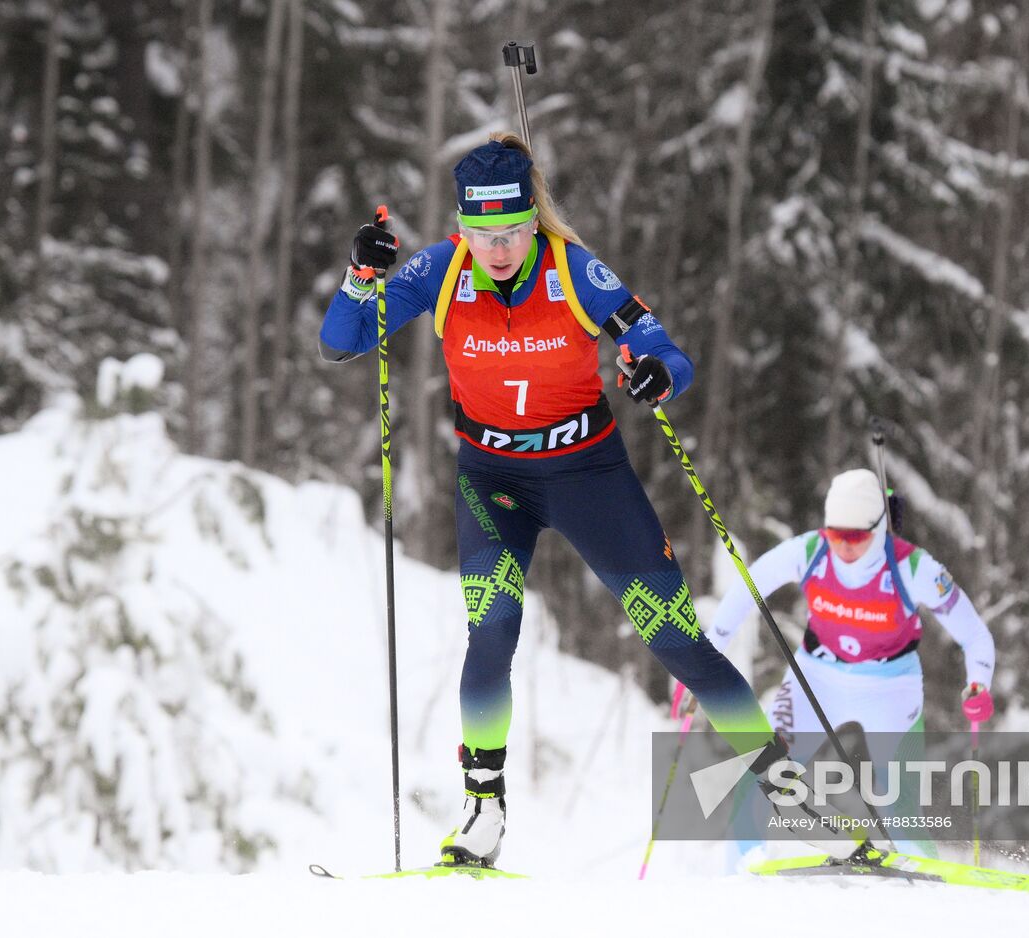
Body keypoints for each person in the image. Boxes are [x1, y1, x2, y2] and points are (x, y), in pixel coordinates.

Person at [318, 133, 778, 867]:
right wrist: (360, 277)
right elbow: (341, 342)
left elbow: (667, 351)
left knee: (672, 636)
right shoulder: (440, 271)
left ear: (533, 221)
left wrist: (658, 374)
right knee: (492, 629)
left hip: (587, 473)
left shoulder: (576, 271)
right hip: (491, 479)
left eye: (509, 232)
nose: (496, 249)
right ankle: (483, 813)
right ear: (461, 228)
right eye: (480, 233)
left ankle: (787, 788)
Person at [675, 467, 996, 857]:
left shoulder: (914, 568)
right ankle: (739, 883)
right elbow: (748, 586)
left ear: (879, 528)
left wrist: (978, 683)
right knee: (762, 784)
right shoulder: (810, 551)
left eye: (856, 536)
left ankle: (928, 888)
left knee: (901, 810)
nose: (843, 546)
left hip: (891, 687)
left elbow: (974, 634)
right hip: (815, 678)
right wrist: (703, 665)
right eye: (836, 534)